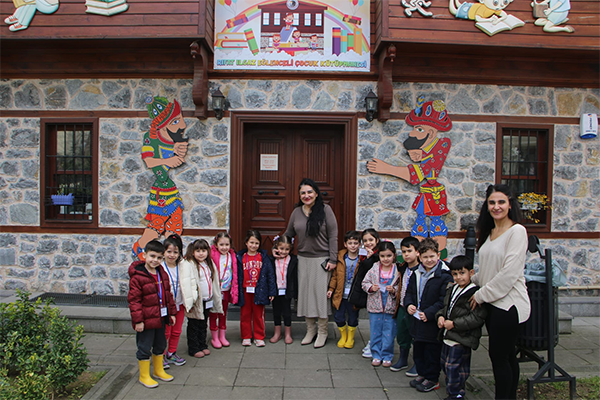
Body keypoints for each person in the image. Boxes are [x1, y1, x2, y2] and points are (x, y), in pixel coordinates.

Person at [469, 184, 530, 400]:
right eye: (492, 202)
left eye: (501, 202)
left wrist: (479, 295)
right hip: (492, 304)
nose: (496, 206)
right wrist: (469, 280)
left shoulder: (517, 231)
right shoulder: (490, 232)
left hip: (508, 305)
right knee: (507, 356)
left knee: (499, 357)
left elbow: (508, 274)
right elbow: (489, 270)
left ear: (510, 204)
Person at [132, 96, 189, 260]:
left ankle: (170, 254)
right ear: (163, 126)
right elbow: (149, 161)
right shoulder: (151, 139)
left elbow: (174, 156)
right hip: (160, 189)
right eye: (176, 121)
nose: (182, 126)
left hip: (170, 189)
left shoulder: (172, 141)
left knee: (175, 223)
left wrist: (177, 152)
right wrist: (169, 160)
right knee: (157, 224)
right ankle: (140, 246)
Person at [284, 178, 338, 348]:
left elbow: (333, 235)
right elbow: (288, 234)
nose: (306, 195)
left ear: (316, 193)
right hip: (303, 260)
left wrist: (333, 259)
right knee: (306, 297)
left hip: (322, 260)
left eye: (309, 192)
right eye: (303, 193)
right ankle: (310, 330)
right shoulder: (296, 212)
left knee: (320, 297)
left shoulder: (326, 210)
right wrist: (279, 247)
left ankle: (323, 331)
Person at [404, 238, 452, 393]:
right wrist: (409, 304)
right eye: (425, 257)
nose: (429, 260)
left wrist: (429, 313)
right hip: (417, 319)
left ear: (438, 255)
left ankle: (432, 378)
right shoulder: (416, 273)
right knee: (418, 350)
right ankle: (422, 374)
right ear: (419, 256)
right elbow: (409, 293)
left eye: (432, 256)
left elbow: (443, 300)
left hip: (432, 321)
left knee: (431, 352)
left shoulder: (444, 276)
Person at [436, 255, 487, 400]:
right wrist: (440, 316)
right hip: (448, 335)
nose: (458, 277)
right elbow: (446, 307)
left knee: (455, 367)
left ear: (471, 272)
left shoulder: (475, 293)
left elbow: (476, 317)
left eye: (462, 273)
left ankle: (456, 394)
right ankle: (453, 391)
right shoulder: (452, 289)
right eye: (455, 274)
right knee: (445, 365)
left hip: (462, 337)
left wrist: (454, 324)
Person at [127, 240, 176, 388]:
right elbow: (134, 301)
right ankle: (144, 375)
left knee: (160, 344)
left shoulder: (162, 273)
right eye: (152, 256)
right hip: (146, 319)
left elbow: (168, 294)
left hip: (161, 316)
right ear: (144, 255)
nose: (155, 260)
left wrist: (172, 313)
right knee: (145, 346)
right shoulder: (138, 277)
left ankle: (158, 370)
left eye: (159, 257)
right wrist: (138, 321)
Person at [180, 239, 223, 358]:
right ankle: (193, 348)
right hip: (196, 301)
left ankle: (202, 344)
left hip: (207, 300)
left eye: (203, 250)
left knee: (203, 324)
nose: (201, 253)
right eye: (198, 251)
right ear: (192, 252)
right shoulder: (190, 264)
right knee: (194, 325)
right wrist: (190, 301)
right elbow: (186, 284)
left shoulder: (208, 263)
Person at [235, 230, 277, 347]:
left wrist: (272, 291)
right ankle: (246, 336)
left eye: (256, 243)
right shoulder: (240, 257)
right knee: (245, 314)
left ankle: (259, 336)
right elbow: (236, 275)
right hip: (245, 290)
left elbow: (270, 275)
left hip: (260, 290)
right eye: (251, 242)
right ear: (246, 243)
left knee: (259, 315)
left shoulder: (263, 258)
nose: (253, 245)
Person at [362, 241, 400, 367]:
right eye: (382, 256)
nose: (385, 259)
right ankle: (376, 354)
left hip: (390, 306)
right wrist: (371, 288)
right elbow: (364, 283)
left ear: (394, 255)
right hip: (375, 305)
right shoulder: (374, 269)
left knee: (389, 332)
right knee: (375, 331)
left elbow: (402, 287)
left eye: (389, 256)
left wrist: (394, 290)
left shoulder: (397, 270)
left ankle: (387, 355)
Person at [348, 228, 380, 357]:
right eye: (365, 241)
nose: (368, 243)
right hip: (367, 289)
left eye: (371, 240)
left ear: (377, 240)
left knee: (376, 320)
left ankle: (375, 344)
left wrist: (369, 258)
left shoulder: (378, 255)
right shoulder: (364, 254)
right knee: (373, 319)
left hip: (376, 291)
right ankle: (373, 342)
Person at [390, 236, 420, 375]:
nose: (406, 254)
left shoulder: (421, 270)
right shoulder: (402, 268)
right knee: (402, 334)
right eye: (403, 251)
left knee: (416, 336)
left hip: (415, 308)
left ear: (417, 252)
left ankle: (418, 363)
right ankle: (403, 359)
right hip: (402, 305)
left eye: (409, 251)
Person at [328, 230, 361, 349]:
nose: (353, 246)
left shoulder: (362, 258)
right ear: (345, 244)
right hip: (340, 294)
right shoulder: (341, 257)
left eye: (355, 243)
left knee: (353, 317)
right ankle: (343, 336)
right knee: (339, 316)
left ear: (359, 244)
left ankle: (350, 337)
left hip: (354, 295)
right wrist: (331, 288)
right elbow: (335, 275)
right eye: (350, 243)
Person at [209, 232, 239, 349]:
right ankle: (214, 337)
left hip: (226, 289)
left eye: (227, 245)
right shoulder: (212, 255)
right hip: (215, 290)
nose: (224, 247)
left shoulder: (232, 256)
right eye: (221, 245)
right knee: (214, 313)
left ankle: (222, 336)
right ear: (216, 245)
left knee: (223, 313)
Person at [161, 234, 186, 369]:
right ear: (163, 252)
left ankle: (172, 352)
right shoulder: (160, 267)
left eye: (175, 252)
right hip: (166, 306)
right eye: (169, 251)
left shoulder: (183, 266)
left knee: (177, 331)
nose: (172, 255)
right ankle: (161, 355)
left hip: (179, 304)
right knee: (166, 332)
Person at [269, 234, 298, 344]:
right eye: (281, 248)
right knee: (276, 312)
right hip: (275, 291)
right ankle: (277, 333)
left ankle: (287, 333)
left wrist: (295, 292)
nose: (284, 252)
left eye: (287, 249)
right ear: (276, 247)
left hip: (287, 291)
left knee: (287, 312)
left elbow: (295, 277)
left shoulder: (293, 260)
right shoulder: (271, 259)